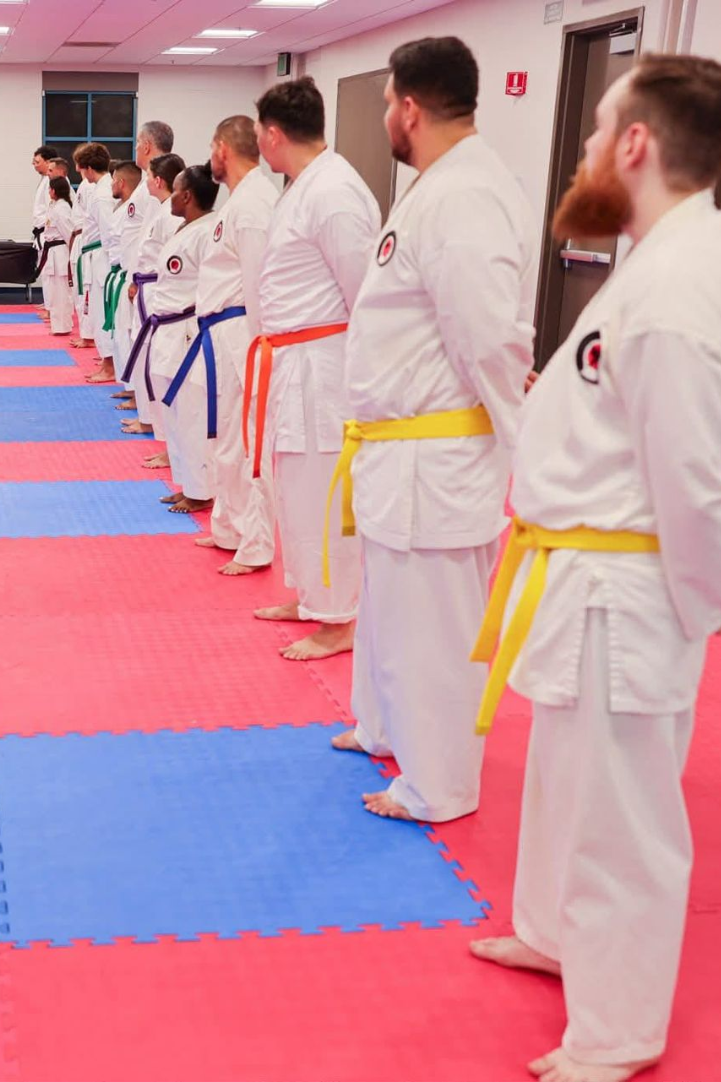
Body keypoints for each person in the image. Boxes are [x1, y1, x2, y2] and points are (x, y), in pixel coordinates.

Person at [469, 54, 721, 1082]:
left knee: (622, 820)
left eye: (590, 135)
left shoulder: (677, 285)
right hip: (584, 579)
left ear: (633, 145)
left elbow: (696, 483)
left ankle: (617, 1027)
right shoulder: (655, 261)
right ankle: (555, 933)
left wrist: (696, 613)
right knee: (565, 788)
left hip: (630, 591)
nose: (577, 153)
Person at [329, 37, 536, 822]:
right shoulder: (439, 185)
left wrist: (527, 450)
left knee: (434, 631)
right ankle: (384, 726)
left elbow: (485, 337)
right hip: (399, 450)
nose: (385, 113)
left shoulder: (464, 195)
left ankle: (440, 784)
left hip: (434, 456)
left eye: (386, 102)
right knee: (391, 614)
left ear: (409, 107)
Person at [251, 77, 381, 658]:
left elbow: (368, 293)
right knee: (296, 487)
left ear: (273, 134)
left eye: (258, 131)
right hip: (292, 359)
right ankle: (309, 595)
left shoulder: (334, 192)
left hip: (323, 366)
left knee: (325, 490)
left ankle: (339, 618)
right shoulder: (304, 186)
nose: (257, 140)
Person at [176, 116, 278, 574]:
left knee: (246, 441)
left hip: (243, 336)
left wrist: (260, 346)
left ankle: (256, 543)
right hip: (220, 332)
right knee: (223, 438)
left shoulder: (255, 202)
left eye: (211, 148)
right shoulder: (241, 201)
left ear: (222, 148)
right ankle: (229, 527)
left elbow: (260, 283)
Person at [146, 164, 219, 514]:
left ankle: (201, 491)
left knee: (190, 413)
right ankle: (186, 483)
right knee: (172, 412)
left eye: (174, 191)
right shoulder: (186, 229)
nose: (170, 197)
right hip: (167, 329)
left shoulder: (208, 233)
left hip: (189, 332)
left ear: (187, 196)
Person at [121, 152, 185, 443]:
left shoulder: (172, 214)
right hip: (147, 288)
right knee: (145, 357)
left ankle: (156, 428)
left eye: (148, 176)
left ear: (158, 180)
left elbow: (172, 262)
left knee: (152, 361)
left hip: (159, 293)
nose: (145, 181)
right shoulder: (162, 210)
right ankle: (148, 420)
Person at [73, 142, 115, 385]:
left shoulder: (101, 195)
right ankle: (108, 361)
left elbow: (109, 233)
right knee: (99, 312)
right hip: (97, 256)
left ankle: (109, 367)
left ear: (88, 169)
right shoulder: (104, 188)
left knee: (102, 313)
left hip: (101, 258)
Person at [103, 161, 143, 385]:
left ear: (121, 182)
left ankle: (133, 390)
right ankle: (127, 385)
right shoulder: (121, 209)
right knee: (119, 335)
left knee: (128, 335)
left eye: (113, 181)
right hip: (118, 273)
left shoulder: (135, 208)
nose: (110, 185)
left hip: (128, 274)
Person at [39, 176, 75, 336]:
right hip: (53, 251)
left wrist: (73, 253)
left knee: (61, 291)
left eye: (49, 189)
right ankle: (58, 325)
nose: (48, 192)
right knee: (55, 291)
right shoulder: (55, 206)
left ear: (54, 190)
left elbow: (68, 232)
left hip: (60, 252)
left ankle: (63, 327)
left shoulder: (62, 208)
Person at [69, 145, 95, 349]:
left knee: (86, 292)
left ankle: (89, 336)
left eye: (78, 164)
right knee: (80, 291)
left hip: (89, 242)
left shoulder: (94, 187)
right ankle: (86, 334)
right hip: (81, 239)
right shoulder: (87, 185)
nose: (76, 169)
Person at [31, 144, 58, 313]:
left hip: (47, 231)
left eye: (37, 161)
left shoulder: (52, 180)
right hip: (41, 231)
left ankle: (52, 308)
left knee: (50, 273)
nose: (34, 164)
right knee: (46, 273)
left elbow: (52, 209)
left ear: (48, 162)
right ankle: (49, 305)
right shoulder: (44, 180)